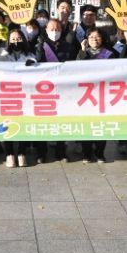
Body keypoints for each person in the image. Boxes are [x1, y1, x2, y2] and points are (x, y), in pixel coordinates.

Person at [0, 29, 37, 167]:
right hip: (6, 94)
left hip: (24, 94)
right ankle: (9, 154)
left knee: (23, 122)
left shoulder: (29, 55)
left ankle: (21, 153)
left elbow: (36, 70)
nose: (16, 42)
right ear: (8, 41)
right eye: (13, 39)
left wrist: (32, 66)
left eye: (18, 39)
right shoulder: (3, 54)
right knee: (7, 123)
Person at [35, 18, 73, 163]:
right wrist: (39, 46)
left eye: (57, 29)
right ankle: (41, 152)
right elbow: (37, 61)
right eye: (52, 29)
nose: (55, 32)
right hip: (43, 90)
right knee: (42, 121)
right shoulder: (40, 45)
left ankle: (61, 152)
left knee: (61, 121)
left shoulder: (67, 46)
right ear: (46, 30)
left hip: (62, 89)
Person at [77, 28, 118, 163]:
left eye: (97, 37)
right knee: (86, 124)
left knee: (101, 124)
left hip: (102, 94)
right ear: (87, 39)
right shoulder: (83, 53)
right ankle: (86, 153)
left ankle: (100, 153)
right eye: (91, 37)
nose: (94, 39)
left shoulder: (109, 54)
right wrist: (83, 50)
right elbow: (76, 69)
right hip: (86, 95)